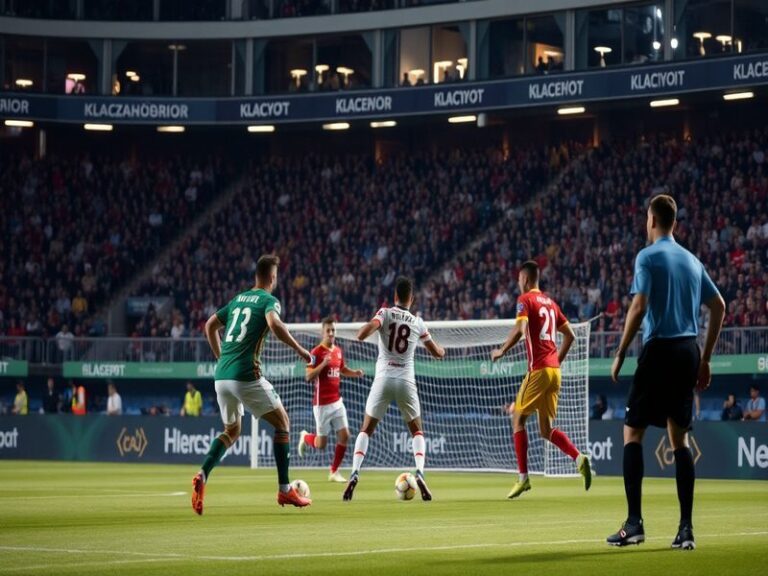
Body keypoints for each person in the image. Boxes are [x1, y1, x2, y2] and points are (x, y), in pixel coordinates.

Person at [608, 194, 725, 550]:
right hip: (688, 350)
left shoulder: (647, 256)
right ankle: (685, 529)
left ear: (653, 220)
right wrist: (705, 358)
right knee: (680, 440)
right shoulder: (692, 260)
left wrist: (621, 350)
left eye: (646, 218)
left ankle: (634, 523)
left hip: (658, 349)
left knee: (632, 433)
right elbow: (719, 306)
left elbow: (639, 305)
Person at [191, 254, 313, 514]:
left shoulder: (237, 300)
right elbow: (275, 325)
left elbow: (210, 325)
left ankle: (202, 474)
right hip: (245, 374)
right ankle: (284, 490)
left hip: (221, 375)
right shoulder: (269, 300)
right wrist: (300, 350)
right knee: (283, 423)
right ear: (272, 277)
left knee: (232, 431)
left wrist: (221, 356)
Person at [490, 260, 592, 499]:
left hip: (538, 370)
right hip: (554, 371)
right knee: (545, 430)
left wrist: (501, 351)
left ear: (525, 279)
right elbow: (571, 335)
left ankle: (523, 479)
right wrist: (556, 361)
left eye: (518, 280)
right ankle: (579, 458)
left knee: (517, 419)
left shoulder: (525, 300)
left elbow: (520, 330)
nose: (518, 284)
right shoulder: (551, 302)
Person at [343, 276, 446, 501]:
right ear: (412, 298)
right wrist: (442, 351)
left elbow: (362, 335)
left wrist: (368, 328)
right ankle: (419, 471)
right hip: (406, 381)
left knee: (365, 430)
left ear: (395, 296)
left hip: (383, 379)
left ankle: (354, 473)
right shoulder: (417, 321)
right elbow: (437, 353)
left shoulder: (385, 313)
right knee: (417, 431)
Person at [297, 316, 365, 482]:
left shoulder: (338, 351)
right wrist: (322, 364)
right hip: (321, 405)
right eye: (328, 330)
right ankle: (305, 437)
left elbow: (342, 369)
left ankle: (334, 472)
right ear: (322, 332)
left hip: (337, 402)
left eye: (333, 330)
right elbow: (308, 376)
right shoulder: (316, 352)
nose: (331, 333)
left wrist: (354, 373)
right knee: (321, 445)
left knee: (345, 436)